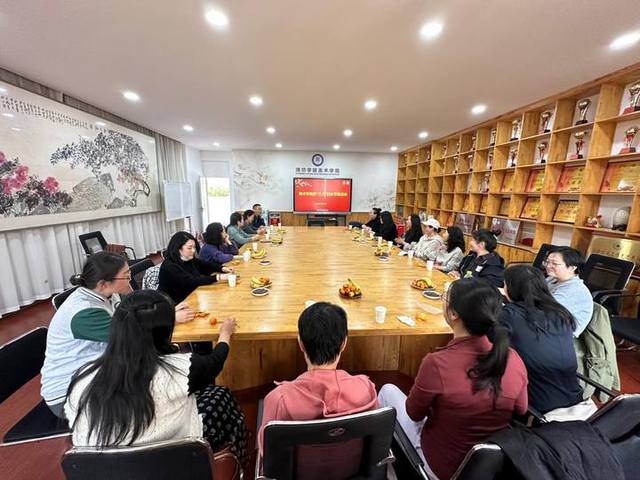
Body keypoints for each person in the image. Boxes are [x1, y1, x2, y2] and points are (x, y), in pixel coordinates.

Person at [65, 290, 248, 464]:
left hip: (100, 469)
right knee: (220, 396)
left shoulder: (82, 376)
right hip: (172, 463)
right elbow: (214, 362)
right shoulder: (180, 369)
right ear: (166, 332)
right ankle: (239, 460)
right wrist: (225, 334)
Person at [378, 278, 528, 480]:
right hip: (488, 469)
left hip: (440, 466)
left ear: (454, 313)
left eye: (445, 298)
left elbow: (414, 414)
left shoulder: (437, 363)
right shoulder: (513, 358)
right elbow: (521, 409)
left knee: (387, 391)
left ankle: (387, 471)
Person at [258, 302, 378, 456]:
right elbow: (373, 439)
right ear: (343, 344)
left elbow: (267, 453)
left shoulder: (278, 400)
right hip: (354, 467)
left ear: (301, 344)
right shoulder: (366, 388)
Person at [499, 265, 583, 414]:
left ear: (512, 288)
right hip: (573, 395)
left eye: (505, 285)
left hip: (536, 405)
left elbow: (488, 346)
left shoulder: (509, 315)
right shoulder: (560, 313)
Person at [158, 231, 231, 304]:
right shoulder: (169, 266)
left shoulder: (188, 259)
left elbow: (205, 265)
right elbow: (191, 281)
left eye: (194, 247)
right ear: (178, 249)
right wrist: (218, 277)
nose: (193, 251)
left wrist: (222, 268)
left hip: (191, 296)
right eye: (189, 248)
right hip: (175, 304)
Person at [544, 247, 593, 337]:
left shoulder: (573, 290)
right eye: (547, 262)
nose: (548, 266)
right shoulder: (553, 278)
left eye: (554, 263)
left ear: (572, 268)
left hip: (560, 335)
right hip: (549, 323)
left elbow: (542, 308)